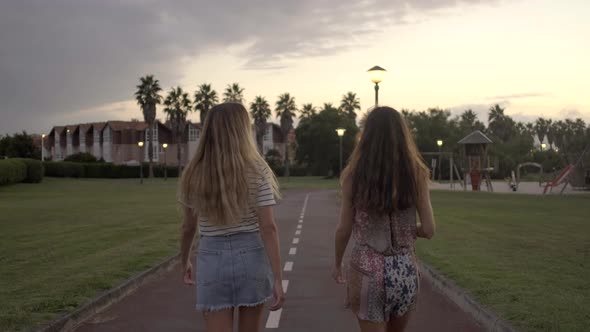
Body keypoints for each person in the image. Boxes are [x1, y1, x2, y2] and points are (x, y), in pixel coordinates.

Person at [179, 102, 285, 332]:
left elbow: (188, 226)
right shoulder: (258, 169)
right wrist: (278, 277)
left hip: (211, 257)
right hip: (251, 255)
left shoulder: (194, 171)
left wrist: (185, 259)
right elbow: (268, 227)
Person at [333, 106, 436, 332]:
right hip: (405, 269)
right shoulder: (417, 173)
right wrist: (410, 229)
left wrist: (337, 263)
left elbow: (344, 229)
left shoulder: (354, 175)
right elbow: (429, 229)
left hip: (367, 268)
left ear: (366, 136)